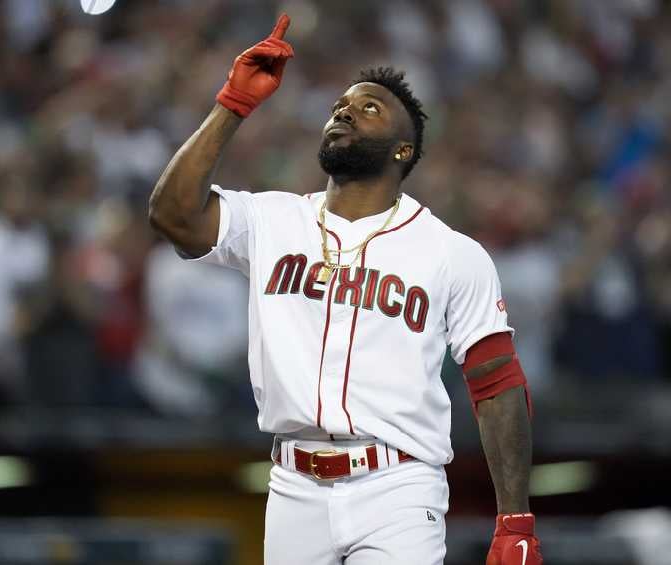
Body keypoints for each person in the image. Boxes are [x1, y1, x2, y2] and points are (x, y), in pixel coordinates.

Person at [148, 14, 542, 565]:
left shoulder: (452, 252)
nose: (345, 111)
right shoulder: (271, 219)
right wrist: (232, 104)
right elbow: (171, 215)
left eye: (369, 108)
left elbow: (497, 384)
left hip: (397, 488)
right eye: (341, 105)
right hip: (291, 486)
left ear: (403, 150)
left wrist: (514, 520)